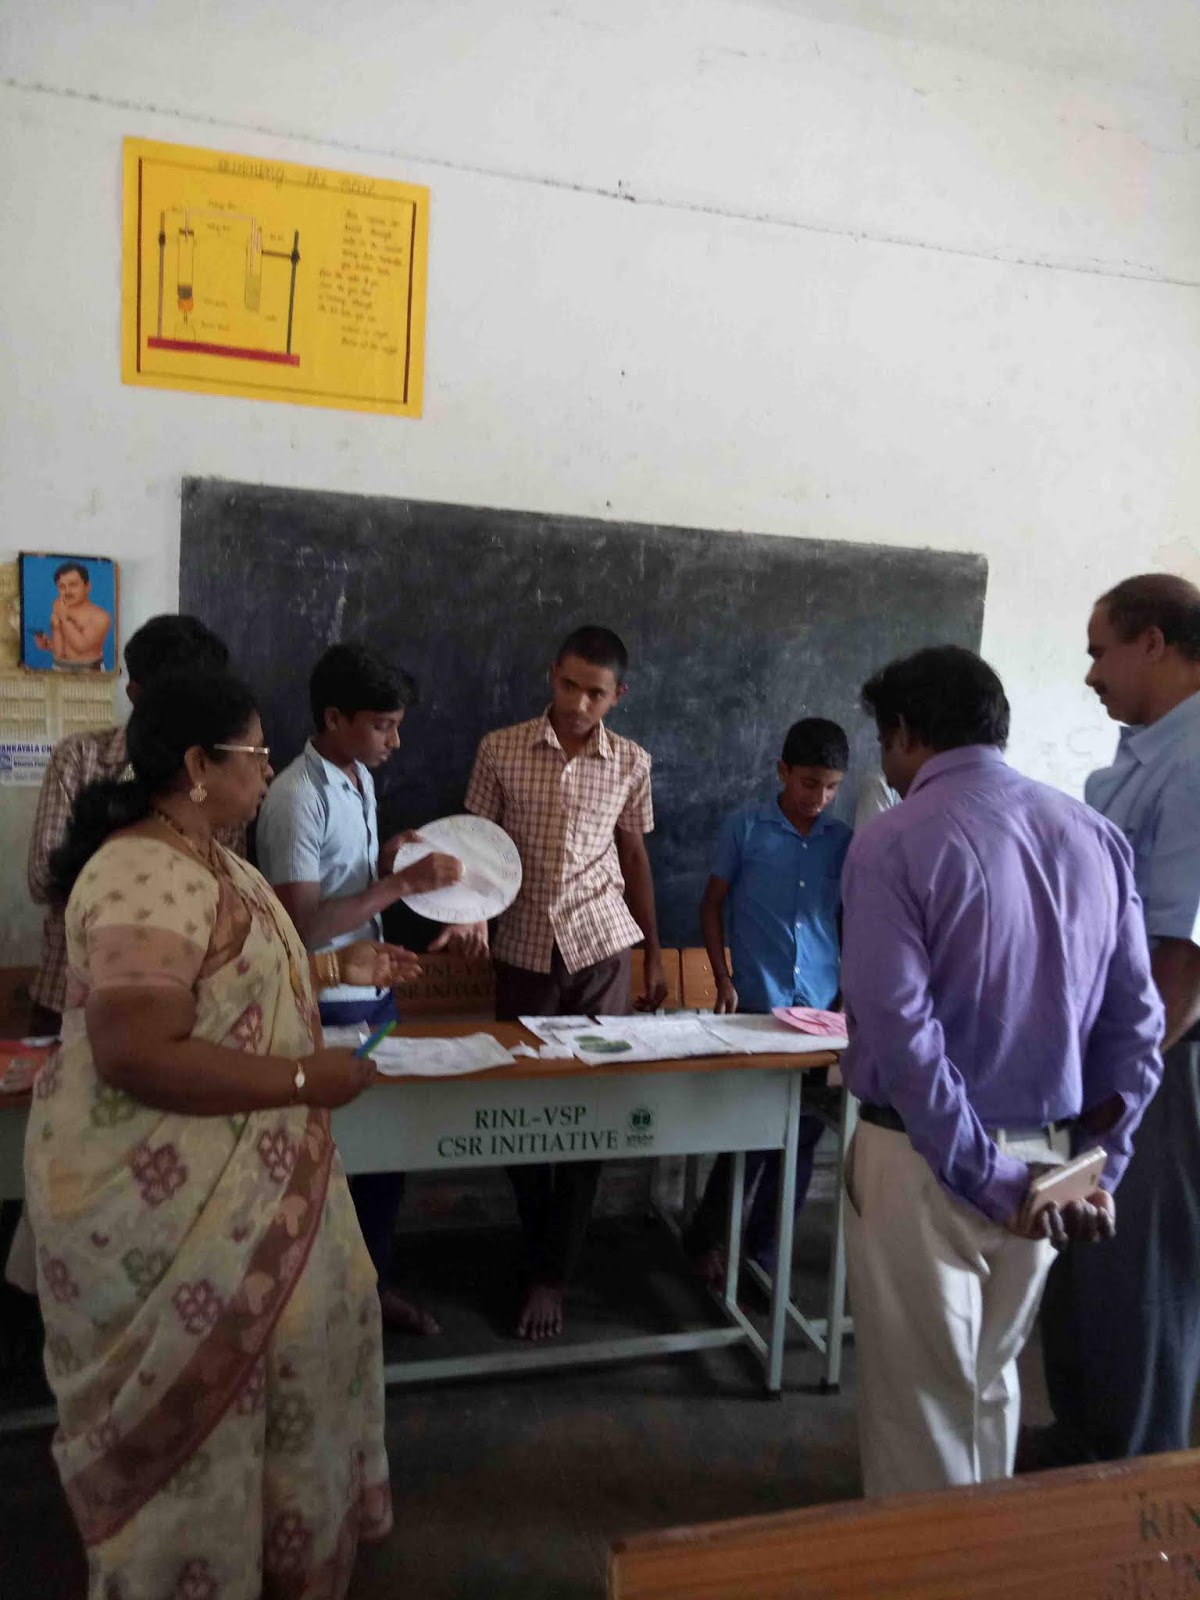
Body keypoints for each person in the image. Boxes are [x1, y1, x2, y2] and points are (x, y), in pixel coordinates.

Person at [24, 667, 415, 1599]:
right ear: (199, 765)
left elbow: (232, 983)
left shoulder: (211, 858)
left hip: (246, 1189)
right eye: (255, 754)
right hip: (168, 1213)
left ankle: (264, 1555)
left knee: (287, 1375)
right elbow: (136, 1051)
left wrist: (343, 968)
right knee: (198, 1420)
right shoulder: (140, 871)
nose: (268, 769)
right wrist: (305, 1080)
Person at [839, 644, 1164, 1497]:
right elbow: (1137, 1026)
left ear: (904, 732)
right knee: (993, 1382)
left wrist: (983, 1173)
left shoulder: (890, 842)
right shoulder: (1094, 835)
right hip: (1053, 1164)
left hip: (924, 1160)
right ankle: (993, 1552)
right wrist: (1098, 1169)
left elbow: (904, 1036)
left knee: (923, 1407)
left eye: (885, 741)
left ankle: (938, 1565)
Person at [256, 642, 477, 1337]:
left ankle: (369, 1288)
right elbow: (301, 925)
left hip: (371, 992)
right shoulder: (297, 796)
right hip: (321, 1004)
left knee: (381, 1157)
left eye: (397, 725)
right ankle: (311, 1309)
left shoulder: (357, 778)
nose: (395, 741)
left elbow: (347, 881)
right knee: (322, 1162)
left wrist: (388, 860)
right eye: (383, 725)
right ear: (334, 718)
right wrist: (402, 883)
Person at [1034, 574, 1200, 1466]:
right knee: (1085, 1265)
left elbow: (1182, 957)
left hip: (1162, 1061)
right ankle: (1082, 1450)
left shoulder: (1196, 760)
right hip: (1108, 1055)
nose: (1091, 673)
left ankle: (1134, 1486)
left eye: (1101, 651)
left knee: (1139, 1273)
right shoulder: (1146, 754)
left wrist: (1118, 1094)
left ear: (1154, 643)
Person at [465, 624, 668, 1340]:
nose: (579, 704)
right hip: (522, 949)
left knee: (591, 1113)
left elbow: (634, 856)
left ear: (619, 695)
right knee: (521, 1114)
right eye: (568, 686)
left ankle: (551, 1274)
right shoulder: (500, 749)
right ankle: (536, 1252)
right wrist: (470, 918)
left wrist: (653, 954)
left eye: (596, 693)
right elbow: (474, 847)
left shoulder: (632, 761)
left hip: (602, 950)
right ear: (552, 674)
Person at [683, 718, 852, 1284]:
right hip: (758, 1005)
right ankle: (705, 1239)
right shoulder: (747, 827)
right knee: (748, 1135)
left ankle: (763, 1256)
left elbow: (847, 920)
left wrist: (847, 994)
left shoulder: (843, 841)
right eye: (808, 783)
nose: (818, 798)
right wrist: (722, 977)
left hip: (821, 1012)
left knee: (801, 1141)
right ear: (783, 771)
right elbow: (712, 904)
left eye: (831, 787)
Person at [27, 613, 236, 1035]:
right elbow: (43, 877)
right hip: (72, 1003)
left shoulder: (218, 776)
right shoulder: (81, 758)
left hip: (183, 1007)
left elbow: (226, 891)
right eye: (175, 698)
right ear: (135, 694)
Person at [32, 561, 112, 669]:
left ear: (87, 586)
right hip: (58, 669)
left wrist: (63, 618)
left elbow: (81, 646)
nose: (67, 591)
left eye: (73, 585)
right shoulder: (59, 610)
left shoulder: (100, 616)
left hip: (89, 672)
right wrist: (48, 644)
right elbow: (59, 654)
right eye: (61, 586)